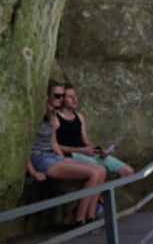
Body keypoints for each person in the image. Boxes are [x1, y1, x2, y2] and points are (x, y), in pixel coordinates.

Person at [27, 81, 107, 226]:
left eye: (63, 96)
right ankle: (80, 220)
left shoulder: (51, 115)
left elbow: (53, 143)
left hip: (52, 157)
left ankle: (91, 216)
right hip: (41, 159)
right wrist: (33, 172)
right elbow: (24, 148)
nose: (61, 99)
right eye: (57, 96)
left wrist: (63, 160)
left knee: (101, 170)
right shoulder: (35, 115)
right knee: (94, 174)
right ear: (46, 97)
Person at [54, 83, 135, 178]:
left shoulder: (79, 116)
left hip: (86, 152)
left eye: (75, 95)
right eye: (70, 97)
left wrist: (99, 151)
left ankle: (109, 193)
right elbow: (53, 145)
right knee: (100, 169)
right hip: (72, 154)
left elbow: (85, 140)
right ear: (62, 99)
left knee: (128, 171)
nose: (74, 99)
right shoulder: (55, 117)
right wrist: (81, 150)